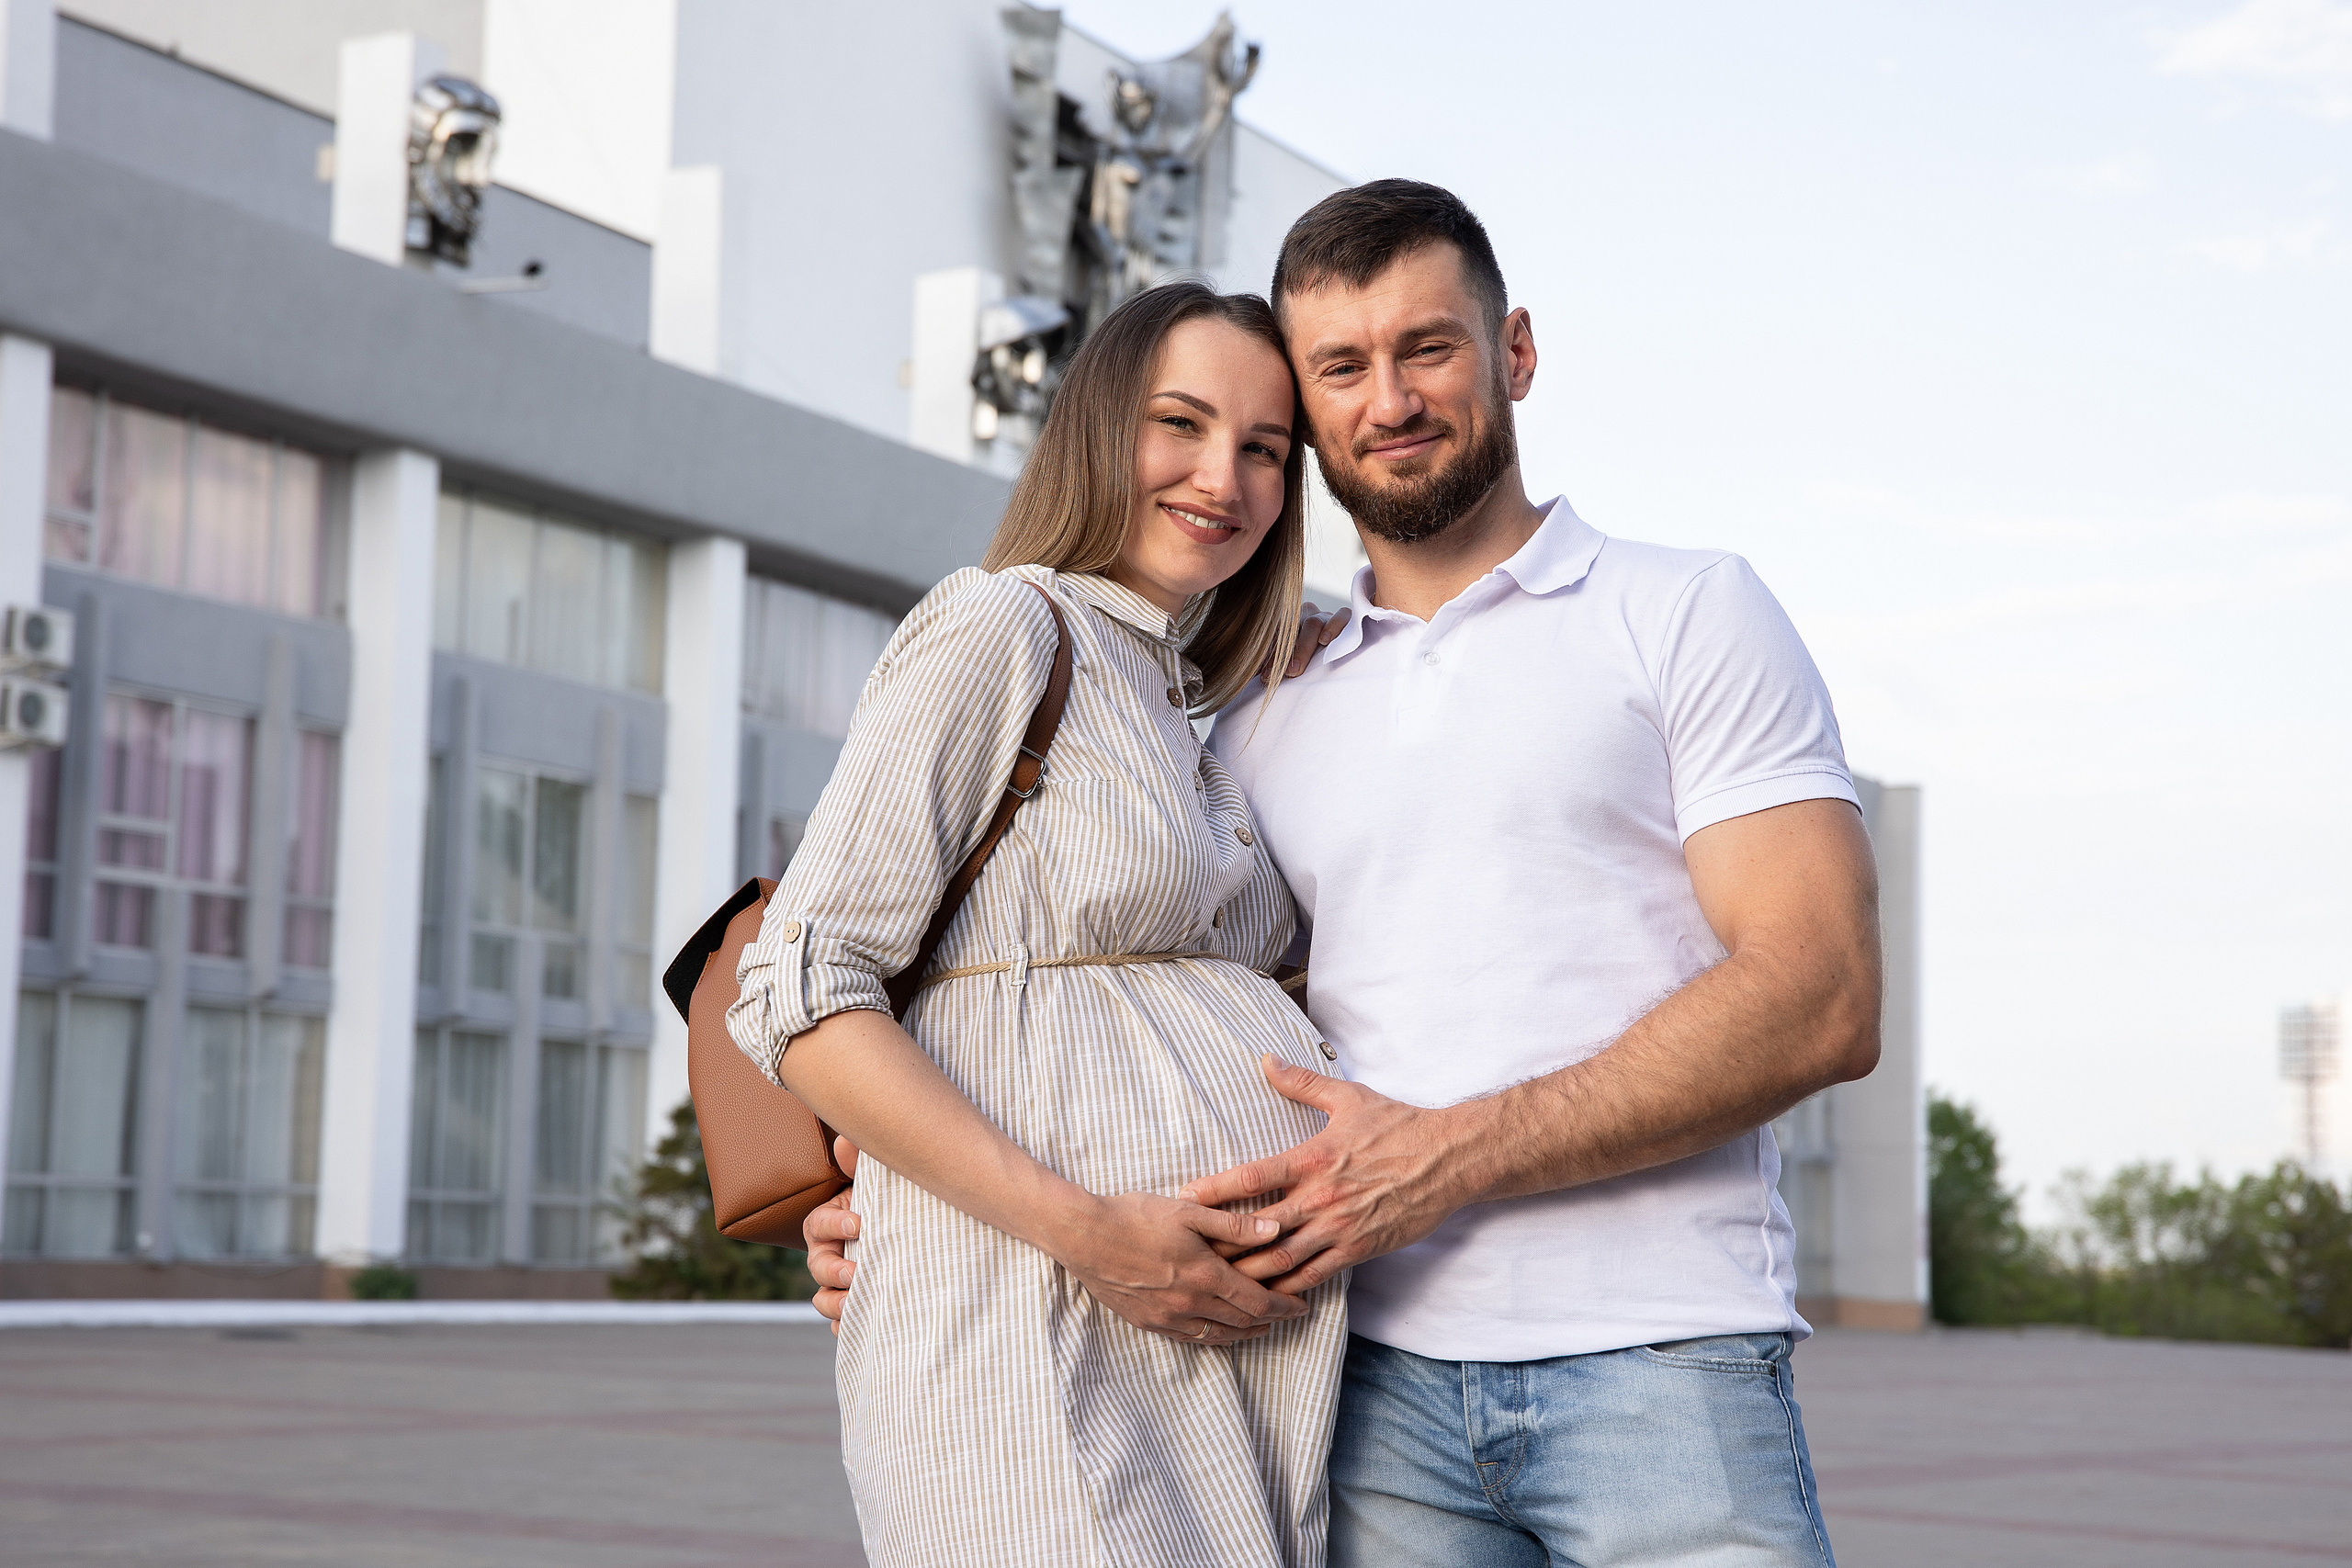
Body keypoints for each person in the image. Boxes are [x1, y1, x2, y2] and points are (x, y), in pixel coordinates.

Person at [809, 180, 1881, 1566]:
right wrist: (904, 1200)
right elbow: (1078, 1001)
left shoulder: (1684, 612)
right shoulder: (1253, 705)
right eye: (1339, 370)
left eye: (1428, 347)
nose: (1390, 399)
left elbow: (1825, 996)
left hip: (1655, 1363)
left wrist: (1441, 1161)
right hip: (1348, 1386)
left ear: (1516, 353)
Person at [722, 280, 1347, 1568]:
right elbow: (802, 983)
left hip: (1205, 1357)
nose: (1220, 476)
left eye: (1265, 451)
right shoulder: (1005, 626)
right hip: (1034, 1313)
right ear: (1097, 425)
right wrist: (1091, 1233)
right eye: (1179, 423)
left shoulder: (1187, 710)